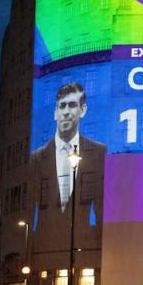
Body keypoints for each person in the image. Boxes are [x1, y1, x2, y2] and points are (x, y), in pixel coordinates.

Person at [30, 82, 106, 232]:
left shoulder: (99, 152)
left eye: (72, 105)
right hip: (45, 238)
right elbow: (30, 208)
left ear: (82, 110)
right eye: (62, 106)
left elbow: (100, 206)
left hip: (83, 240)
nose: (65, 112)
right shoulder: (37, 158)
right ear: (55, 112)